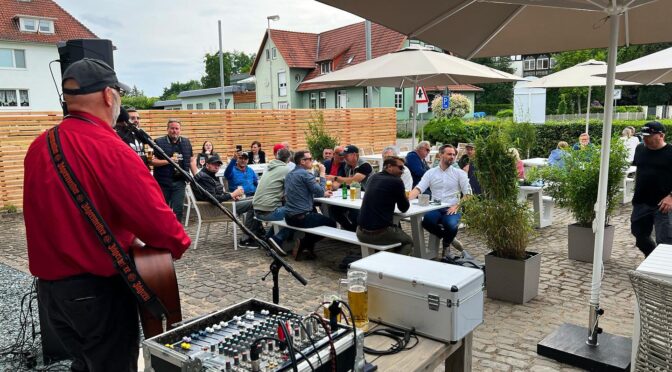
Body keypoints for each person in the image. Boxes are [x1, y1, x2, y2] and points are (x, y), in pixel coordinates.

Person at [23, 58, 191, 372]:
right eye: (120, 95)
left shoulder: (39, 146)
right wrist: (179, 243)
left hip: (52, 294)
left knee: (85, 364)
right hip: (97, 294)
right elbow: (159, 224)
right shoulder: (111, 148)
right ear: (108, 96)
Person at [409, 144, 472, 252]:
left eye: (453, 154)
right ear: (440, 155)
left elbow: (469, 194)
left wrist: (457, 206)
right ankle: (449, 238)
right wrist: (407, 198)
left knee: (451, 225)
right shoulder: (430, 173)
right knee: (426, 222)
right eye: (449, 154)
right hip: (435, 206)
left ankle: (446, 246)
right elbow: (418, 189)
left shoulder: (459, 173)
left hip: (452, 207)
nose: (452, 157)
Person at [193, 154, 265, 248]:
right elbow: (213, 199)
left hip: (222, 205)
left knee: (256, 199)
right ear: (207, 165)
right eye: (214, 164)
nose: (217, 166)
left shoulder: (208, 175)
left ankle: (257, 232)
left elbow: (215, 194)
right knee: (255, 203)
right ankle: (246, 239)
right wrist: (232, 194)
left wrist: (229, 196)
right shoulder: (204, 178)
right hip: (217, 209)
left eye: (218, 165)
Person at [630, 121, 672, 257]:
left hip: (663, 205)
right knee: (640, 237)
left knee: (665, 241)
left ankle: (664, 272)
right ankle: (653, 259)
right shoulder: (640, 149)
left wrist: (671, 197)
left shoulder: (670, 152)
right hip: (641, 202)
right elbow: (640, 171)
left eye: (648, 136)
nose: (645, 139)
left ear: (661, 135)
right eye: (643, 136)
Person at [284, 150, 336, 260]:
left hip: (288, 216)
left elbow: (300, 193)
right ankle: (303, 243)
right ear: (302, 161)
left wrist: (320, 193)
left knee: (314, 212)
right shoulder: (305, 174)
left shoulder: (289, 174)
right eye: (309, 159)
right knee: (332, 224)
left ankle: (308, 250)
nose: (312, 161)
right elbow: (320, 190)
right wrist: (322, 173)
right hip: (300, 217)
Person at [357, 156, 413, 255]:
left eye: (403, 168)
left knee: (392, 232)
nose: (402, 171)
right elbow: (404, 208)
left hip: (360, 232)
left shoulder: (373, 177)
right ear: (389, 167)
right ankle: (391, 267)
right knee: (408, 242)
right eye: (400, 168)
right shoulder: (396, 181)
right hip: (378, 234)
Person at [152, 119, 198, 222]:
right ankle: (163, 231)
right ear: (167, 129)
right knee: (163, 210)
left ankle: (178, 234)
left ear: (180, 130)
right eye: (172, 128)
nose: (174, 131)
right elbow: (152, 161)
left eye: (177, 128)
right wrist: (169, 161)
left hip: (180, 182)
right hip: (163, 182)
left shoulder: (186, 142)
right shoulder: (158, 142)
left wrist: (196, 177)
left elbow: (191, 160)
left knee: (179, 209)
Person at [326, 145, 373, 231]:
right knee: (333, 209)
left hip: (366, 197)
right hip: (353, 196)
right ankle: (351, 230)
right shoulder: (347, 166)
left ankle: (359, 232)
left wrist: (334, 178)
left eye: (346, 155)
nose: (344, 157)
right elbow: (344, 181)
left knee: (354, 213)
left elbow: (353, 181)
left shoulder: (365, 165)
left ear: (355, 155)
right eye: (343, 155)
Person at [253, 148, 293, 249]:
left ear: (277, 157)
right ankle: (278, 239)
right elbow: (292, 192)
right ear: (289, 159)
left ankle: (267, 238)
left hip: (257, 210)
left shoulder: (269, 167)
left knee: (290, 211)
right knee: (299, 213)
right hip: (269, 212)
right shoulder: (287, 170)